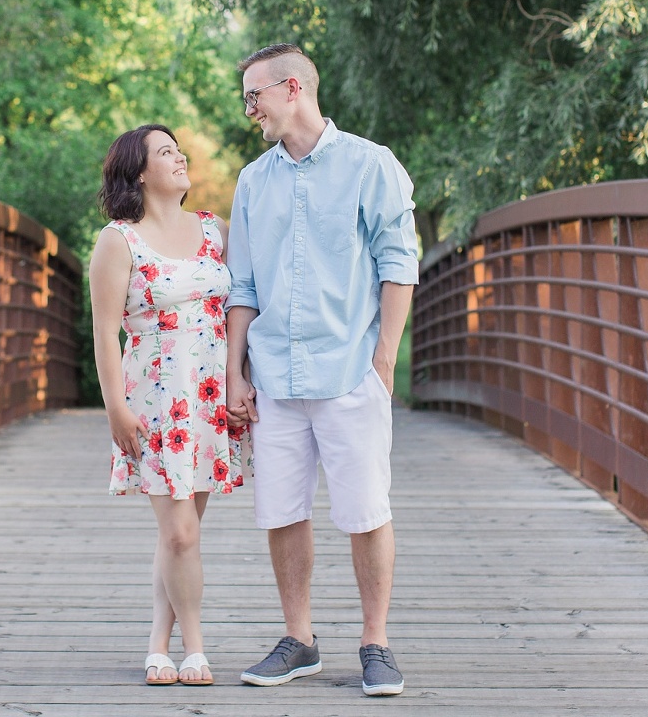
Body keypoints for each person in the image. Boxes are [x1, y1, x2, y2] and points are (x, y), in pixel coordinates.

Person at [226, 43, 419, 698]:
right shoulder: (253, 182)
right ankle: (299, 639)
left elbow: (398, 262)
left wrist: (384, 358)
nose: (249, 110)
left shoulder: (370, 164)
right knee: (281, 511)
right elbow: (243, 285)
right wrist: (235, 372)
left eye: (254, 96)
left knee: (366, 510)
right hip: (274, 375)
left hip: (349, 370)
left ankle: (376, 642)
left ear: (292, 88)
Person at [89, 124, 247, 686]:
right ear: (138, 172)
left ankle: (158, 643)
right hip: (154, 402)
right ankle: (195, 647)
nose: (180, 159)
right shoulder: (118, 241)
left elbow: (241, 305)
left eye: (179, 151)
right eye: (165, 153)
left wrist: (238, 377)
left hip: (207, 400)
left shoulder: (214, 230)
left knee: (181, 533)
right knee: (180, 533)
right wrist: (114, 407)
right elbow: (105, 332)